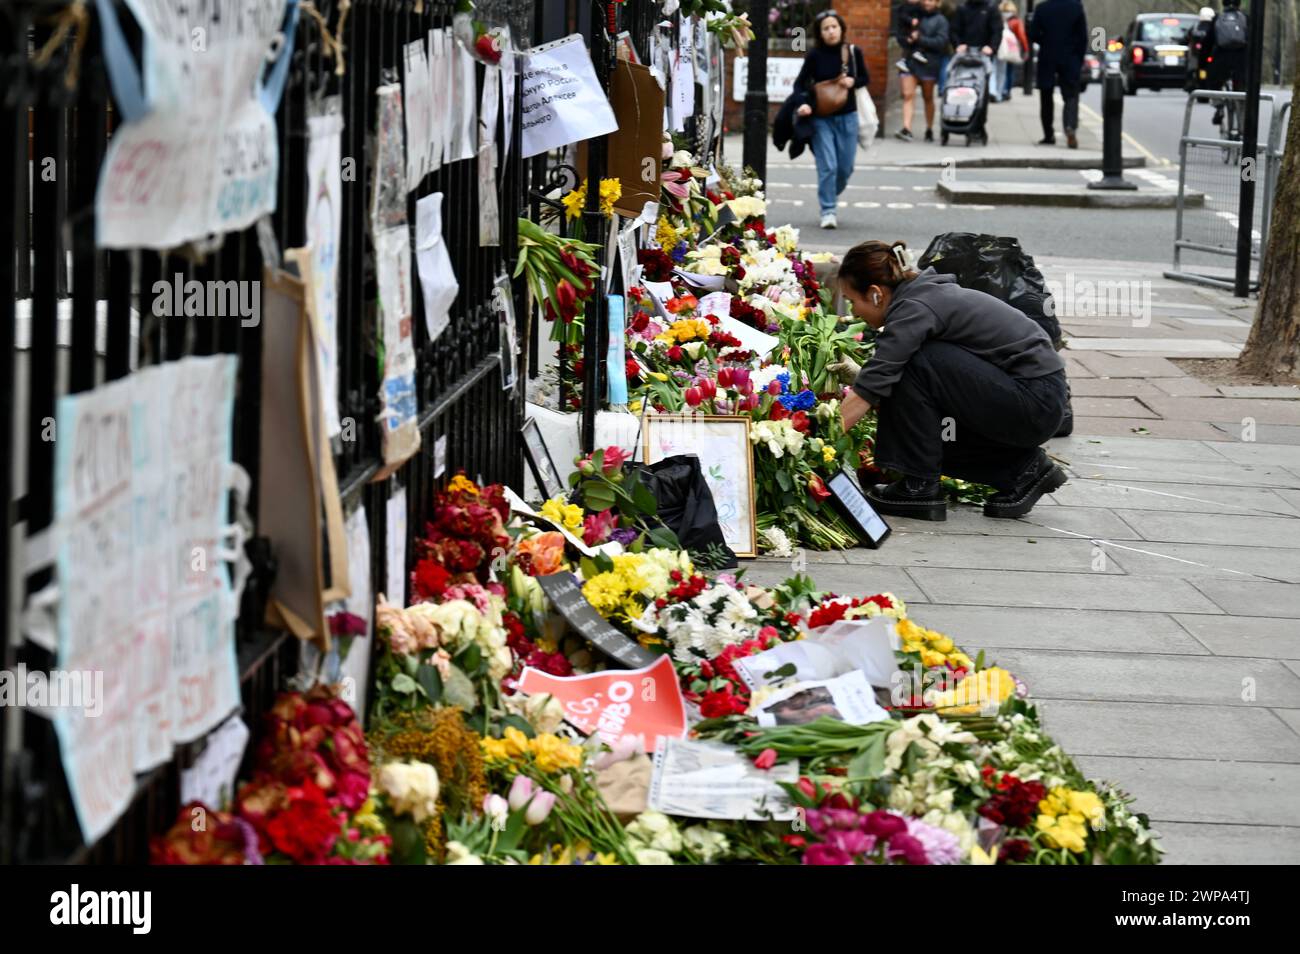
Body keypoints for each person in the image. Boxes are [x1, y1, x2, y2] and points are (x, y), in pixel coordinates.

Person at [836, 240, 1069, 521]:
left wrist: (822, 442)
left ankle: (919, 485)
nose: (852, 312)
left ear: (875, 294)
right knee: (920, 429)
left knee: (915, 362)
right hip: (1032, 396)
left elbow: (874, 385)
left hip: (1035, 399)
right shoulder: (918, 297)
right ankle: (1024, 470)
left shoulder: (915, 307)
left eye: (852, 301)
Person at [794, 10, 870, 230]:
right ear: (820, 33)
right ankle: (828, 210)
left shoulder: (853, 52)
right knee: (828, 167)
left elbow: (865, 78)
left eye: (834, 27)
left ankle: (828, 193)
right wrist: (803, 103)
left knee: (845, 169)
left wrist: (852, 81)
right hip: (821, 119)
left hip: (848, 117)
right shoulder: (815, 55)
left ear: (841, 29)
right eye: (826, 28)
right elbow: (800, 84)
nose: (831, 31)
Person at [1028, 0, 1087, 148]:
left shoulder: (1042, 8)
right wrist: (1078, 57)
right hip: (1070, 56)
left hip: (1048, 55)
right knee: (1071, 95)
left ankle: (1048, 134)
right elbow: (1083, 37)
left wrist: (1046, 42)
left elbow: (1033, 34)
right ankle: (1070, 126)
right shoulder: (1076, 7)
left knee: (1046, 96)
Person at [894, 0, 949, 142]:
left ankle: (929, 129)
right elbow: (900, 33)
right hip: (910, 61)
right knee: (908, 95)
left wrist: (920, 39)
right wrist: (906, 40)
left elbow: (941, 42)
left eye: (931, 0)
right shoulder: (912, 14)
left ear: (938, 3)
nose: (927, 2)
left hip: (928, 63)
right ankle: (906, 128)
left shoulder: (940, 20)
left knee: (928, 97)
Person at [1207, 0, 1249, 126]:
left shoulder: (1217, 19)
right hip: (1241, 61)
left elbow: (1207, 43)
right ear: (1239, 5)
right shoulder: (1246, 19)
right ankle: (1242, 124)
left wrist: (1203, 64)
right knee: (1241, 88)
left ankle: (1219, 106)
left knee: (1213, 82)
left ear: (1223, 4)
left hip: (1221, 61)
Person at [954, 0, 1003, 103]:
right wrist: (958, 44)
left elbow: (997, 30)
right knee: (961, 82)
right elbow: (954, 29)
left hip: (984, 53)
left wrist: (992, 47)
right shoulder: (962, 8)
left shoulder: (991, 8)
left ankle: (981, 110)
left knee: (983, 85)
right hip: (965, 52)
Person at [997, 1, 1029, 102]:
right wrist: (1026, 49)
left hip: (999, 49)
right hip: (1011, 50)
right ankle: (1006, 91)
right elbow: (1022, 36)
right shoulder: (1015, 21)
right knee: (1009, 71)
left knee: (1000, 71)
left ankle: (1001, 90)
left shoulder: (998, 19)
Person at [1186, 7, 1216, 93]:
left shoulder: (1195, 27)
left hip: (1197, 55)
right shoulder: (1215, 26)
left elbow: (1186, 37)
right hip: (1211, 54)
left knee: (1191, 68)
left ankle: (1190, 83)